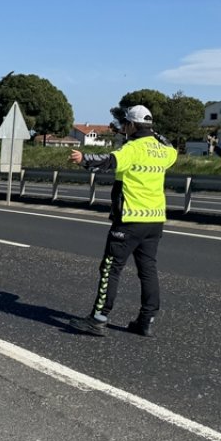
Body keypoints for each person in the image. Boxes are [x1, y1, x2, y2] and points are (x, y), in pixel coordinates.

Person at [67, 105, 178, 338]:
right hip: (155, 218)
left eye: (125, 124)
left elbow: (109, 161)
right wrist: (155, 133)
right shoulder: (163, 150)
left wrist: (83, 159)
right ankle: (146, 321)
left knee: (110, 268)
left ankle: (98, 319)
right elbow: (171, 149)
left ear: (131, 125)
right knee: (148, 270)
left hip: (129, 218)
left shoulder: (132, 148)